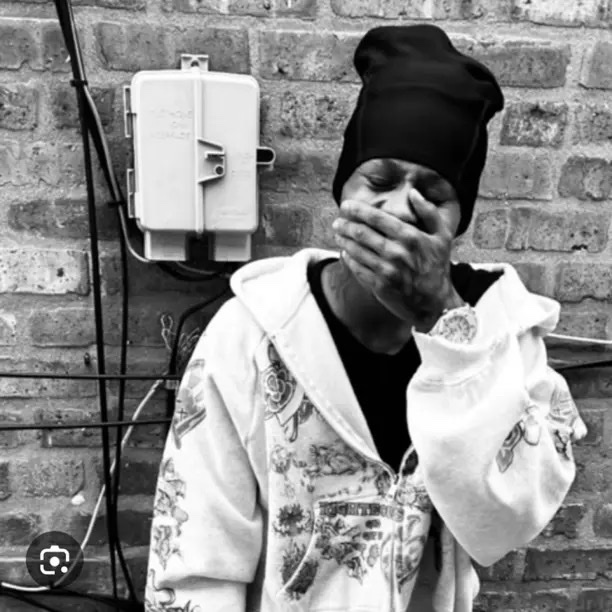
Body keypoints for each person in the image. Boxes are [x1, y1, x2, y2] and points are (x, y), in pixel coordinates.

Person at [144, 24, 587, 612]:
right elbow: (196, 562)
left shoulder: (503, 328)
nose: (400, 208)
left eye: (433, 193)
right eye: (379, 181)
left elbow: (505, 523)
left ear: (459, 219)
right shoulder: (251, 335)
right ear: (342, 191)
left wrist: (442, 317)